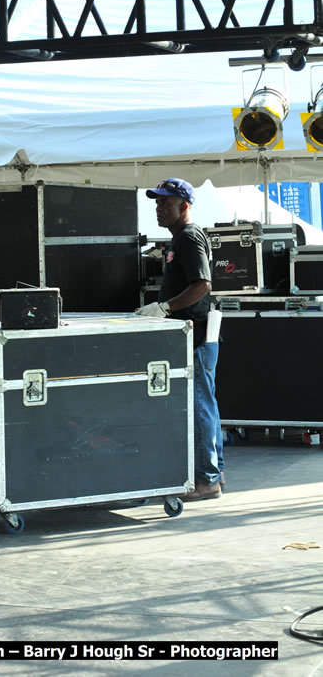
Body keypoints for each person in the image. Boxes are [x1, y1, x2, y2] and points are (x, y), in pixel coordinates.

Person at [136, 177, 224, 500]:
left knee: (200, 406)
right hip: (195, 335)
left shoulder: (188, 237)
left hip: (196, 335)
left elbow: (202, 284)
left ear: (184, 206)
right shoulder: (179, 239)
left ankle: (206, 480)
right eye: (157, 203)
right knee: (207, 404)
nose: (158, 209)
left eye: (165, 203)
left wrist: (165, 306)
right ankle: (217, 472)